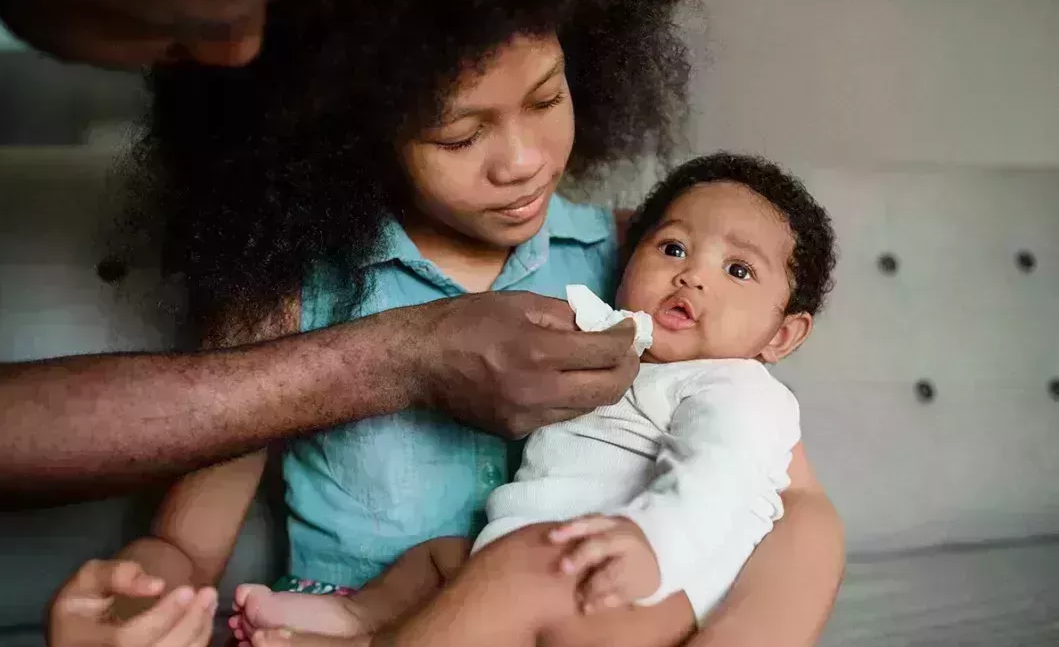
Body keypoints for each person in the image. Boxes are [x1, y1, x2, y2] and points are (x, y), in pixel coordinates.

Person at [49, 2, 843, 647]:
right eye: (460, 134)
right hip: (349, 613)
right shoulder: (281, 292)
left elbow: (790, 501)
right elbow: (187, 544)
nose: (523, 161)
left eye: (547, 96)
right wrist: (137, 602)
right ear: (348, 131)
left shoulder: (638, 261)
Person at [0, 0, 641, 514]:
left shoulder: (623, 247)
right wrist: (407, 356)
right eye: (455, 136)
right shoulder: (300, 283)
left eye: (547, 100)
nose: (242, 53)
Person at [225, 152, 839, 647]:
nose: (692, 275)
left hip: (633, 586)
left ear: (783, 335)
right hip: (538, 554)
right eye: (673, 248)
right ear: (627, 259)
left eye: (738, 271)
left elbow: (721, 477)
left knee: (513, 568)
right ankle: (361, 620)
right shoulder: (610, 346)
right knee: (444, 558)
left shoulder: (736, 387)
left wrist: (655, 545)